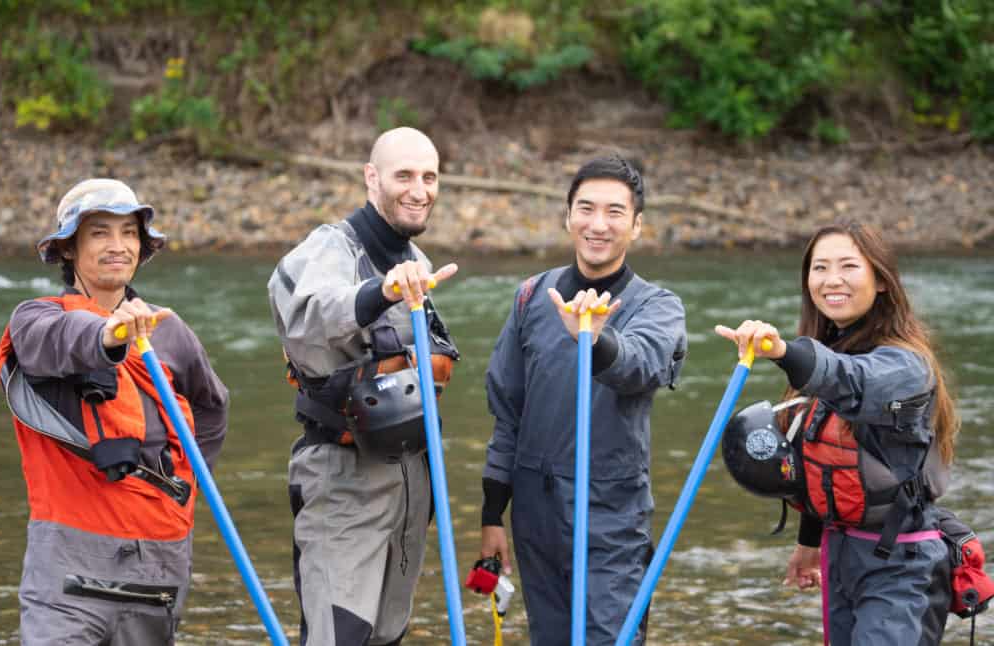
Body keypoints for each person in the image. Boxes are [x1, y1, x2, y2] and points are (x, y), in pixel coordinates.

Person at [0, 178, 230, 644]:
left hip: (158, 559)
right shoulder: (36, 319)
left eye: (129, 232)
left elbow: (212, 409)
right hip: (67, 566)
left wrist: (179, 490)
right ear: (68, 249)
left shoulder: (171, 330)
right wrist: (109, 337)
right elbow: (62, 341)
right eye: (100, 233)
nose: (118, 246)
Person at [715, 218, 959, 645]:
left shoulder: (904, 365)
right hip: (841, 555)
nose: (831, 281)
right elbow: (819, 459)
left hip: (901, 567)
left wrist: (782, 351)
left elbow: (850, 380)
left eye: (848, 267)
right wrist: (810, 542)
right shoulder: (828, 354)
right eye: (820, 268)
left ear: (881, 280)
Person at [478, 155, 688, 645]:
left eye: (615, 212)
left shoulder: (658, 306)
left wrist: (594, 339)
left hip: (610, 515)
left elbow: (641, 365)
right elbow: (507, 412)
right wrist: (492, 515)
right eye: (586, 209)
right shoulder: (531, 297)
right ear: (567, 216)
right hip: (535, 513)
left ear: (636, 226)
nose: (598, 224)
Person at [268, 127, 459, 646]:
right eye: (404, 176)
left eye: (429, 177)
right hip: (344, 481)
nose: (419, 190)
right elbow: (303, 314)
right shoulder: (328, 248)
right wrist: (381, 290)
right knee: (339, 635)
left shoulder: (418, 263)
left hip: (409, 488)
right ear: (371, 178)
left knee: (387, 635)